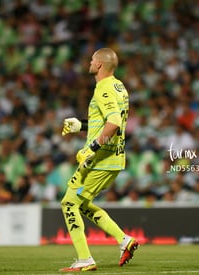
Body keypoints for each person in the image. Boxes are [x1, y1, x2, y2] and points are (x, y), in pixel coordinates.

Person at [59, 48, 138, 272]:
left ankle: (85, 258)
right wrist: (81, 125)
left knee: (68, 203)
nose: (90, 62)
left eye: (93, 59)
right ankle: (124, 240)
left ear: (100, 65)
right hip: (114, 158)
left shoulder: (103, 88)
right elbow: (107, 121)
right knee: (81, 204)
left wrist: (91, 148)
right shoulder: (118, 86)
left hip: (101, 158)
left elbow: (113, 122)